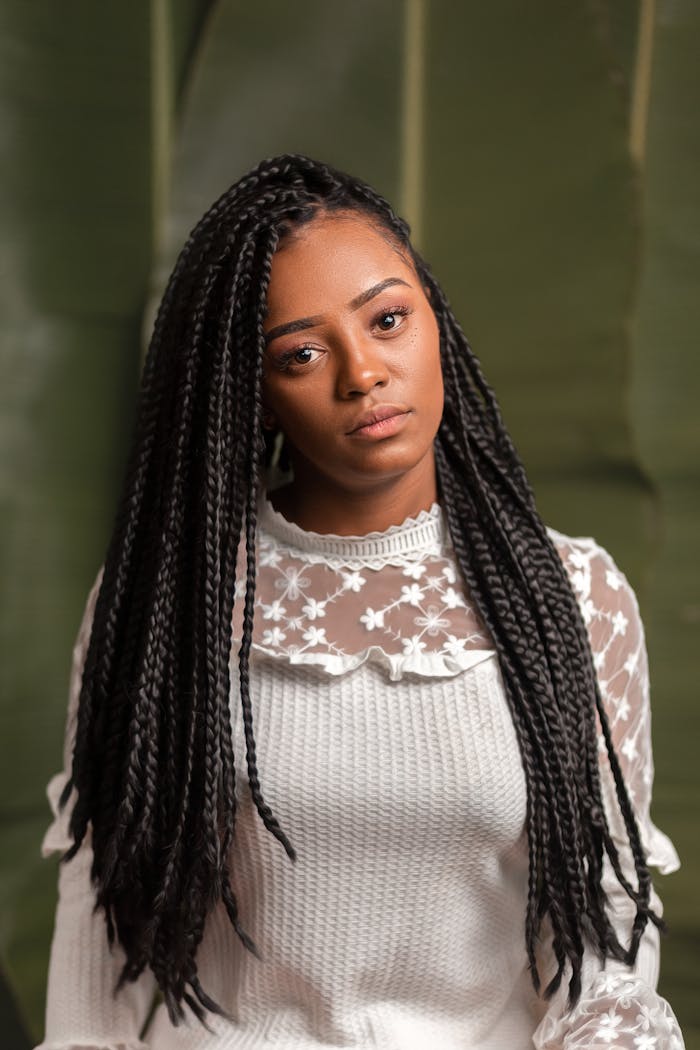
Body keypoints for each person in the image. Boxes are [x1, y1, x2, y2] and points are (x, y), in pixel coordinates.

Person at [36, 155, 684, 1049]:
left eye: (388, 320)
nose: (363, 373)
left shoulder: (570, 599)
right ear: (252, 394)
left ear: (435, 325)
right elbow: (98, 925)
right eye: (301, 353)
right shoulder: (166, 608)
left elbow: (604, 934)